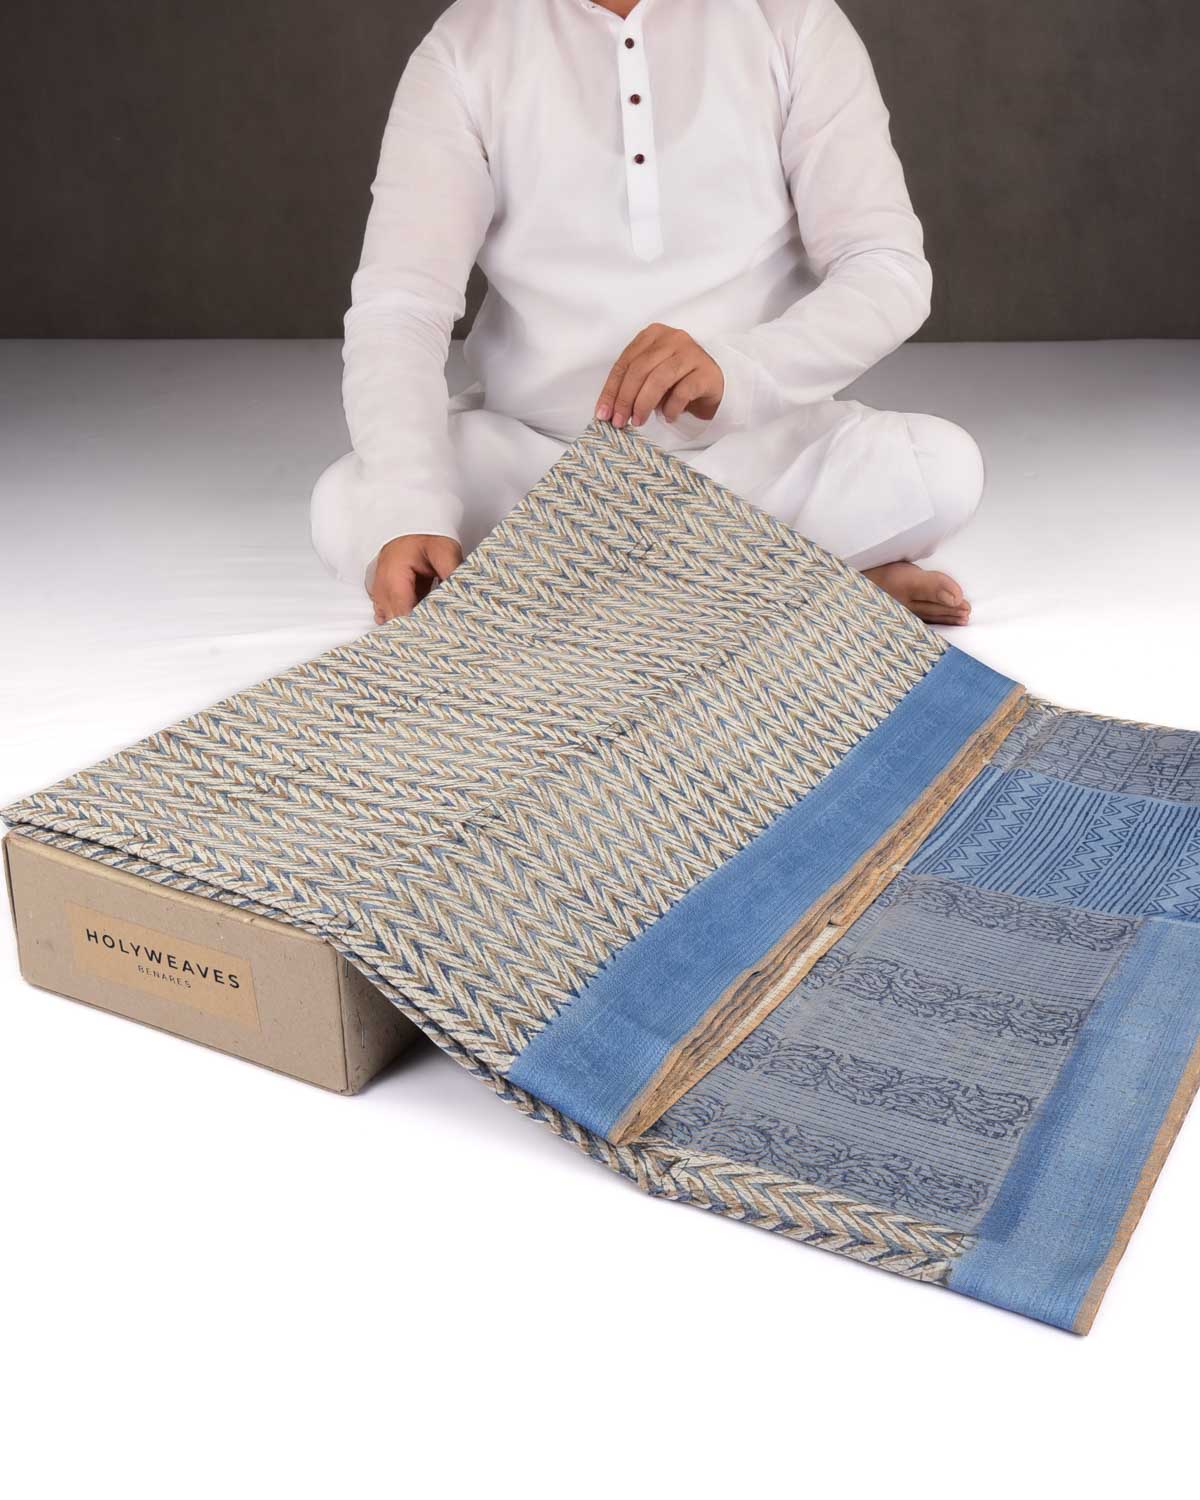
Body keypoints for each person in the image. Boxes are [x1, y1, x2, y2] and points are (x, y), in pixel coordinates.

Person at [312, 0, 984, 627]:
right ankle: (803, 578)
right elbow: (400, 307)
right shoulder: (467, 45)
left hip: (757, 454)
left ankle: (567, 595)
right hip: (543, 465)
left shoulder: (793, 19)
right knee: (349, 506)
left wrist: (737, 369)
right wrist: (412, 506)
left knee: (942, 468)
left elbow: (885, 265)